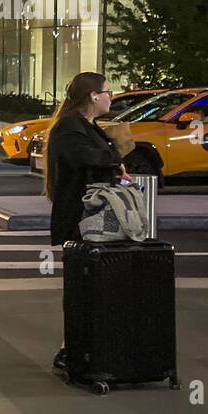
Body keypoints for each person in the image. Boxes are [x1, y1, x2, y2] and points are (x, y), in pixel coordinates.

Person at [44, 72, 132, 370]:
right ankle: (72, 349)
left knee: (93, 283)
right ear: (93, 96)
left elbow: (100, 155)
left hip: (95, 216)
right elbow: (83, 158)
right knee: (81, 285)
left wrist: (115, 159)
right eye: (108, 92)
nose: (111, 97)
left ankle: (86, 346)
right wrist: (113, 159)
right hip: (79, 218)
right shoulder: (69, 127)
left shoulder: (88, 126)